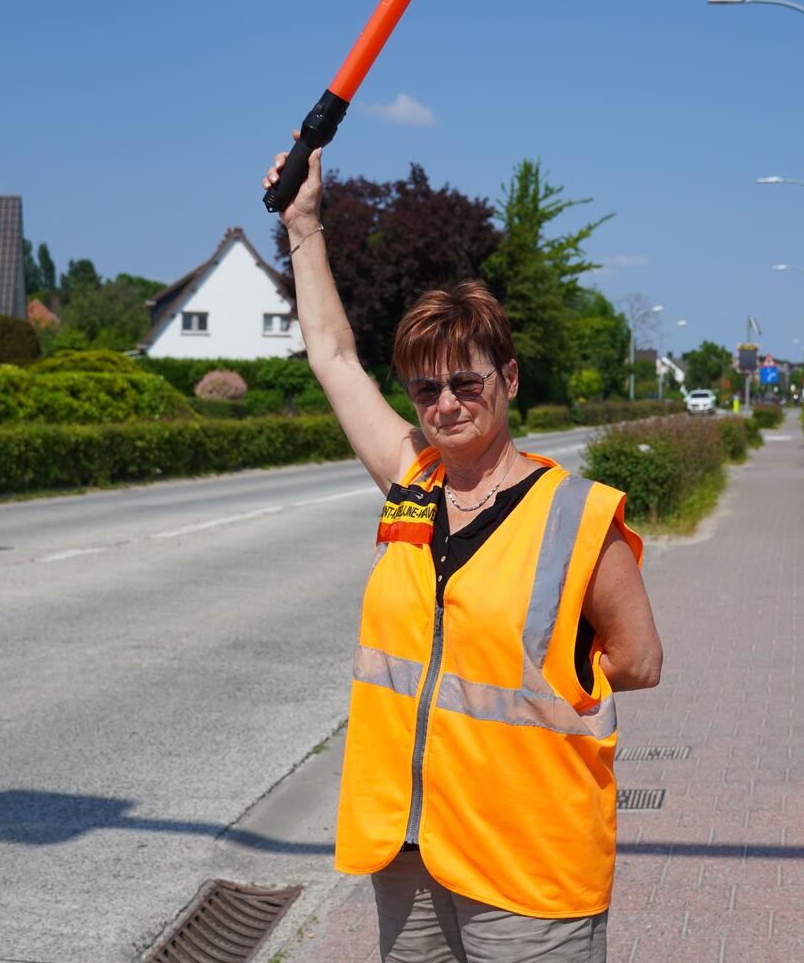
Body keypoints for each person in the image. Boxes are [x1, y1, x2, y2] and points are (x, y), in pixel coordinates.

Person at [263, 139, 662, 963]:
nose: (445, 403)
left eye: (466, 382)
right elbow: (333, 358)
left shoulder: (577, 513)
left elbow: (637, 661)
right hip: (409, 850)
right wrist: (305, 225)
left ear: (508, 381)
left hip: (529, 854)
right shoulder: (412, 480)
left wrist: (544, 679)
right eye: (425, 389)